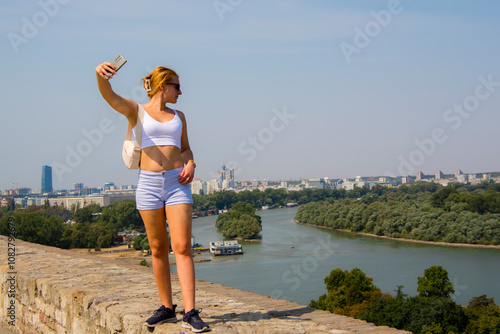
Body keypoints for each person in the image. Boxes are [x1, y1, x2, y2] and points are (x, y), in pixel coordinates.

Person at [95, 61, 210, 333]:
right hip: (147, 184)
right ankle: (167, 309)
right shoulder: (137, 111)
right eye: (177, 87)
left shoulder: (179, 116)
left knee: (182, 247)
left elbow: (185, 150)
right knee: (158, 249)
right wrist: (98, 75)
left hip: (176, 183)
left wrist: (191, 164)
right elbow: (109, 96)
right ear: (163, 86)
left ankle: (190, 311)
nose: (180, 92)